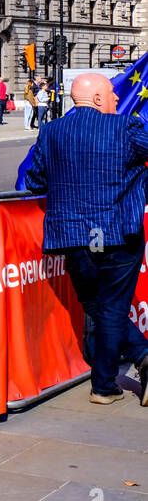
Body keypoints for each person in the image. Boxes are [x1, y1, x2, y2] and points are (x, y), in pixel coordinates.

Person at [22, 73, 148, 404]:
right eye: (111, 93)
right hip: (118, 233)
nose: (117, 99)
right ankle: (115, 378)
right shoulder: (125, 128)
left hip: (77, 237)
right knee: (112, 307)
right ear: (95, 99)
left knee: (98, 305)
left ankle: (108, 384)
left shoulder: (51, 131)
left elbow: (34, 181)